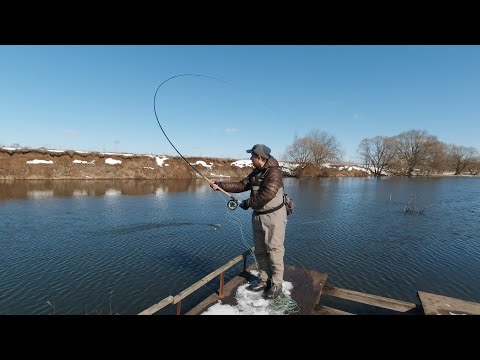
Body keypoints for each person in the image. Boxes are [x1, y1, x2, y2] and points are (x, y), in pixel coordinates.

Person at [210, 144, 287, 299]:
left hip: (274, 217)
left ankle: (277, 284)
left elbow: (268, 194)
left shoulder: (274, 172)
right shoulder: (257, 172)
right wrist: (220, 185)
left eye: (252, 156)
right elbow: (242, 185)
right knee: (259, 250)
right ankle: (264, 280)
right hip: (258, 216)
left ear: (259, 157)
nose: (250, 159)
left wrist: (247, 203)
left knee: (274, 250)